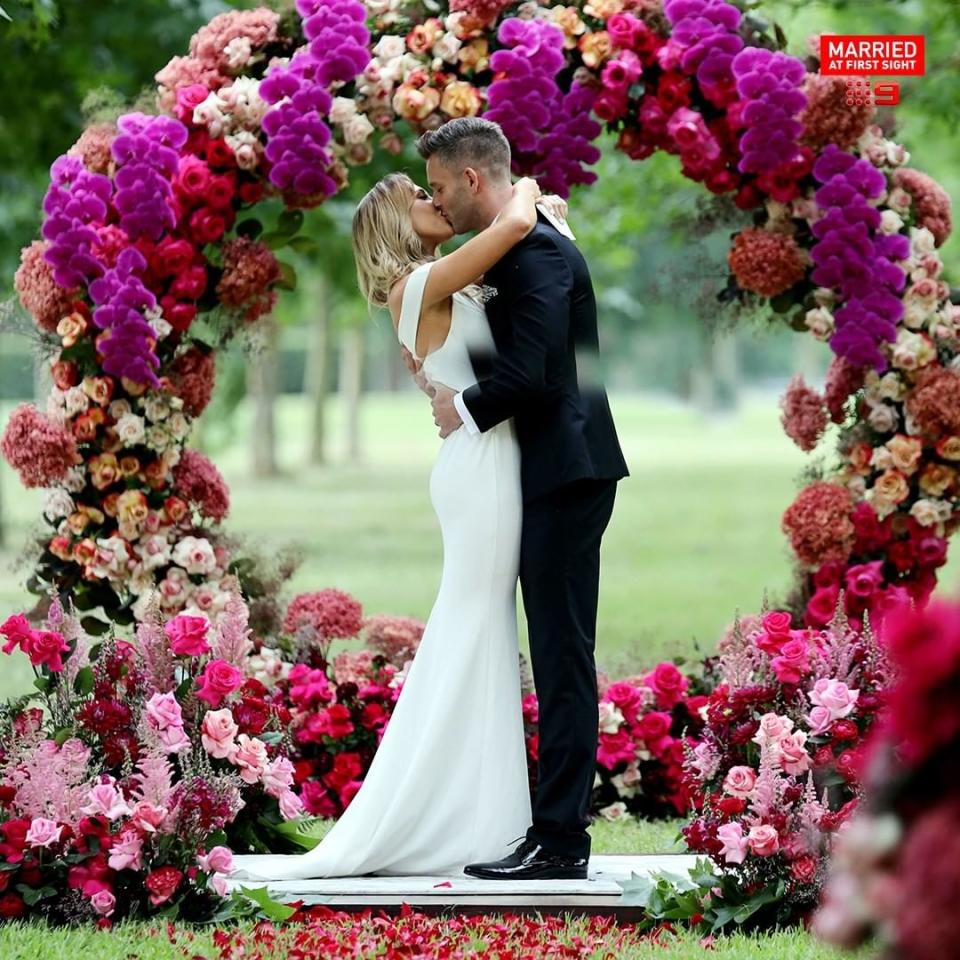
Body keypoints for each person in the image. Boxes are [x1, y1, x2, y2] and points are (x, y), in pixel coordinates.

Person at [229, 167, 562, 881]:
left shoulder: (441, 284)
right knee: (476, 626)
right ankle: (456, 817)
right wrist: (527, 189)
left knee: (481, 629)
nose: (436, 200)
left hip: (490, 461)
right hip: (481, 474)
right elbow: (508, 225)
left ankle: (480, 816)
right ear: (396, 226)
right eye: (421, 196)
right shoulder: (415, 287)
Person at [421, 117, 628, 881]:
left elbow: (540, 374)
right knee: (554, 651)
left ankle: (562, 843)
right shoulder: (523, 241)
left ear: (474, 180)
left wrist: (462, 409)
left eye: (442, 188)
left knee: (562, 657)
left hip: (567, 473)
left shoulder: (538, 251)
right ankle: (546, 832)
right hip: (551, 468)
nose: (439, 203)